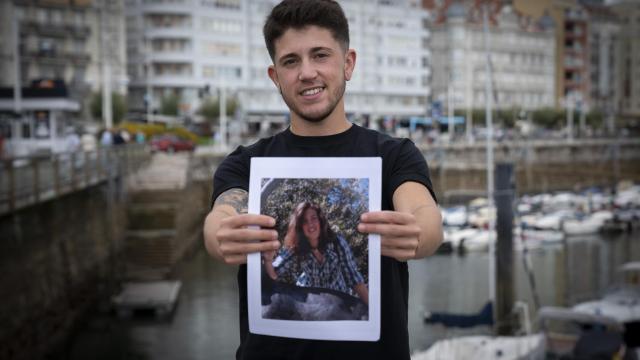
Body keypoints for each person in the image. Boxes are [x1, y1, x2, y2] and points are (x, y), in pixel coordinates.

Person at [203, 0, 443, 359]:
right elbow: (221, 216)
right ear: (275, 77)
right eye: (290, 61)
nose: (307, 72)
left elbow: (425, 214)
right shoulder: (247, 162)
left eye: (320, 55)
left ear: (348, 64)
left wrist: (418, 234)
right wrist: (220, 235)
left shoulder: (395, 155)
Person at [263, 202, 368, 305]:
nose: (310, 224)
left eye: (314, 218)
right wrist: (268, 259)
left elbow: (354, 278)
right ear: (300, 227)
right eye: (304, 221)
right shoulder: (296, 247)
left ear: (320, 221)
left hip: (339, 301)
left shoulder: (337, 242)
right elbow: (274, 274)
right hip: (311, 302)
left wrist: (371, 310)